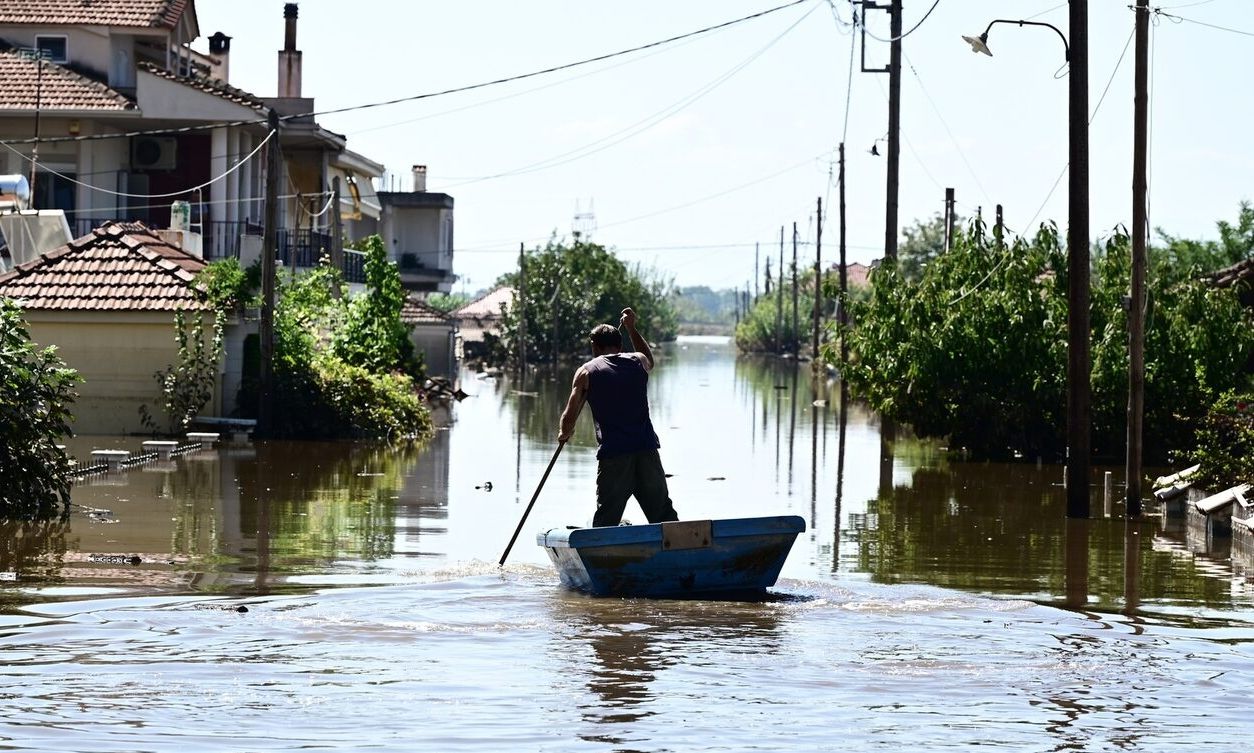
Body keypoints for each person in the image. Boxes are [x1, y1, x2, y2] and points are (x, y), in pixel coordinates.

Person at [558, 307, 679, 527]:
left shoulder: (586, 372)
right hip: (646, 450)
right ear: (621, 345)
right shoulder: (638, 361)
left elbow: (569, 415)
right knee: (663, 515)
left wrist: (564, 433)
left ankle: (602, 557)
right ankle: (679, 552)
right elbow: (649, 358)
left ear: (594, 346)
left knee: (607, 519)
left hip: (614, 456)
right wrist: (632, 328)